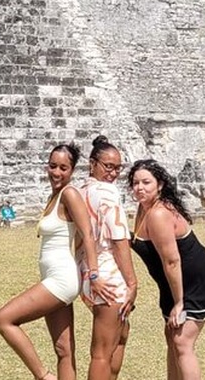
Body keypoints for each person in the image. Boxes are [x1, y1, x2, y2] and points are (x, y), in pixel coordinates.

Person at [0, 143, 115, 380]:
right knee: (64, 350)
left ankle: (43, 376)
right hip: (53, 277)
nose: (56, 173)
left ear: (72, 171)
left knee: (3, 320)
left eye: (63, 168)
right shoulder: (55, 195)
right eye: (52, 166)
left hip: (62, 280)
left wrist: (93, 274)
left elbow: (87, 234)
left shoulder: (69, 194)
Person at [128, 159, 205, 380]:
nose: (140, 188)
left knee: (182, 341)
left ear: (160, 185)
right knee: (172, 336)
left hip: (194, 281)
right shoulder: (143, 208)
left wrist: (179, 303)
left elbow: (172, 261)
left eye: (146, 182)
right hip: (172, 283)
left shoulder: (158, 213)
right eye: (135, 183)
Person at [76, 135, 138, 380]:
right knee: (102, 351)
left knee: (121, 334)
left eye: (117, 168)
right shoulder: (108, 193)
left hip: (85, 270)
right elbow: (119, 239)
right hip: (108, 273)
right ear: (93, 164)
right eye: (108, 166)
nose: (113, 173)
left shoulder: (80, 189)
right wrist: (133, 282)